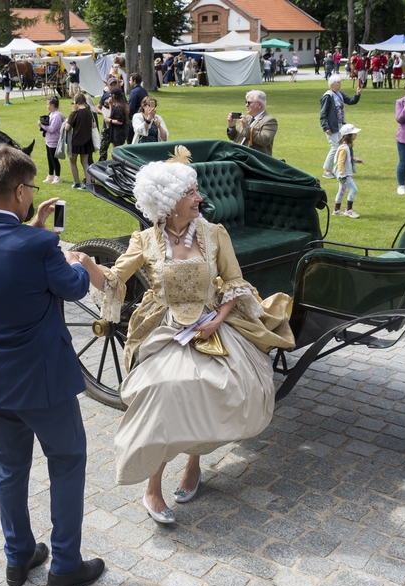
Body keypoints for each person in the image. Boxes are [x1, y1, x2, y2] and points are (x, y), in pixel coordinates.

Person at [69, 148, 294, 523]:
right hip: (164, 329)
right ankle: (152, 486)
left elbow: (234, 282)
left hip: (213, 324)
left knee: (214, 388)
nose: (199, 198)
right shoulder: (145, 240)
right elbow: (113, 281)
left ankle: (193, 464)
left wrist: (218, 319)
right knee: (166, 392)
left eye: (196, 191)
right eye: (191, 193)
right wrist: (89, 264)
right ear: (169, 202)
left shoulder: (214, 234)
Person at [0, 146, 106, 586]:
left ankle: (18, 556)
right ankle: (65, 565)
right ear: (19, 191)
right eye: (31, 188)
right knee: (67, 462)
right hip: (41, 380)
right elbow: (72, 288)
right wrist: (75, 261)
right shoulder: (40, 246)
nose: (32, 195)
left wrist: (30, 231)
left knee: (9, 469)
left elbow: (0, 265)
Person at [320, 75, 361, 178]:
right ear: (332, 84)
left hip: (339, 125)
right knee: (335, 147)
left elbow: (351, 101)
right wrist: (326, 127)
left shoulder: (339, 93)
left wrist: (357, 94)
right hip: (331, 126)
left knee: (341, 146)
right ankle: (327, 171)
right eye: (338, 82)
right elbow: (323, 113)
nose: (340, 84)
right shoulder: (327, 96)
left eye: (340, 82)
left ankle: (341, 168)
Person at [227, 89, 278, 156]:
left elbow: (264, 140)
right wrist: (231, 126)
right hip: (237, 155)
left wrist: (247, 127)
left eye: (249, 103)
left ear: (259, 105)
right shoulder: (247, 118)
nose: (246, 105)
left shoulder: (269, 120)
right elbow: (233, 137)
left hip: (254, 159)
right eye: (246, 102)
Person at [64, 92, 96, 190]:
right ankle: (88, 183)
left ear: (76, 100)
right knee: (85, 162)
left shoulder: (74, 113)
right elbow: (93, 125)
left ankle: (77, 183)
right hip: (87, 140)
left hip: (76, 141)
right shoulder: (89, 111)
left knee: (72, 162)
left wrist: (66, 121)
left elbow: (67, 128)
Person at [333, 124, 363, 217]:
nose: (356, 135)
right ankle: (349, 210)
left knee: (342, 190)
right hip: (344, 174)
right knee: (354, 189)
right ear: (348, 135)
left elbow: (348, 159)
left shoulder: (347, 146)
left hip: (343, 174)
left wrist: (356, 160)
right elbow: (340, 162)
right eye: (354, 133)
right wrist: (343, 176)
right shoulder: (344, 148)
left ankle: (336, 209)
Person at [40, 96, 65, 183]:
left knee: (54, 159)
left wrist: (42, 125)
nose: (47, 106)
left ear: (52, 105)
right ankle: (50, 175)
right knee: (49, 158)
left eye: (48, 104)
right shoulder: (52, 114)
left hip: (54, 141)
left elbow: (52, 129)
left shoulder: (56, 116)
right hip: (49, 140)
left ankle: (57, 176)